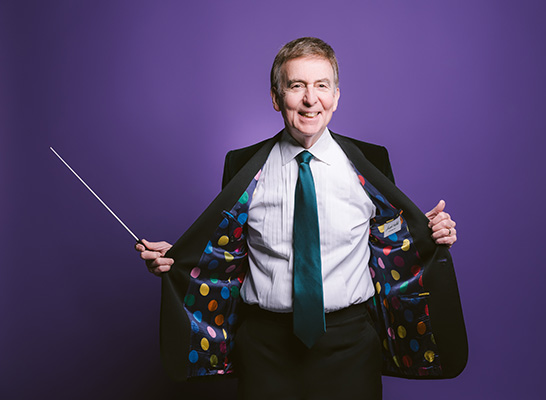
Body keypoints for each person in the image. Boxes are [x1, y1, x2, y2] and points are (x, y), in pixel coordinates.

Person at [136, 37, 466, 400]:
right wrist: (177, 259)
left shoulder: (372, 161)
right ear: (276, 98)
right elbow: (224, 249)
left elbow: (393, 240)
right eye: (296, 86)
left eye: (322, 86)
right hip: (265, 348)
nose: (311, 99)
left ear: (336, 96)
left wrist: (432, 233)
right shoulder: (241, 165)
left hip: (351, 346)